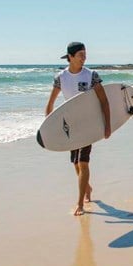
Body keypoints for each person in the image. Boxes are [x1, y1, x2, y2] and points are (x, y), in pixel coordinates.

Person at [45, 42, 111, 216]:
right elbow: (50, 104)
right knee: (75, 163)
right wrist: (47, 129)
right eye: (81, 54)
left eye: (85, 54)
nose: (84, 57)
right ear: (70, 57)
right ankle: (87, 186)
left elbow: (104, 101)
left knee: (83, 162)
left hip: (88, 125)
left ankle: (80, 203)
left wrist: (108, 125)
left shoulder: (91, 75)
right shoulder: (61, 77)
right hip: (70, 126)